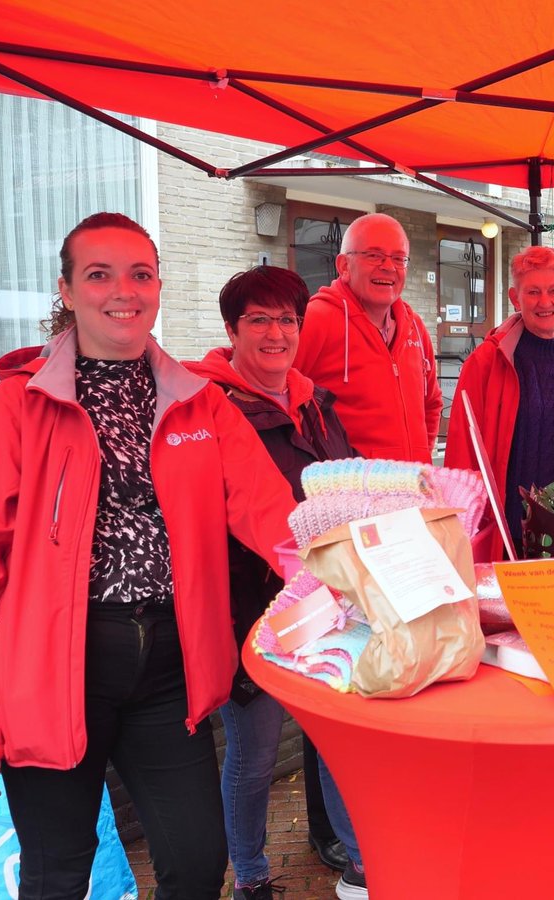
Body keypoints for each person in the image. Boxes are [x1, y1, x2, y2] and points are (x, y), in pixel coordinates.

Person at [0, 213, 296, 899]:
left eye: (139, 273)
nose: (122, 290)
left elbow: (273, 514)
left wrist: (353, 580)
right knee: (58, 873)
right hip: (51, 669)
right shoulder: (17, 404)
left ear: (158, 285)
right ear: (67, 290)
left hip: (167, 670)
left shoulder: (200, 404)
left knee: (196, 862)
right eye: (98, 274)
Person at [185, 266, 358, 898]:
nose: (275, 333)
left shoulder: (315, 404)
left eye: (286, 319)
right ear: (232, 330)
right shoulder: (208, 407)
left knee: (338, 741)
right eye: (258, 319)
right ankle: (252, 877)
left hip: (327, 602)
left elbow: (343, 482)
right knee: (254, 759)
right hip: (250, 608)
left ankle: (361, 862)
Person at [444, 246, 554, 557]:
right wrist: (462, 529)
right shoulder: (486, 363)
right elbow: (461, 457)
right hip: (507, 537)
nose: (544, 302)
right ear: (515, 298)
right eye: (533, 292)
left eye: (553, 291)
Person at [293, 212, 442, 462]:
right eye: (374, 255)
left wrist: (420, 460)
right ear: (343, 266)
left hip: (412, 489)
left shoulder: (414, 326)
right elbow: (282, 403)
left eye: (399, 258)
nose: (388, 266)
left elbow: (432, 403)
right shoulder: (316, 319)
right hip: (349, 493)